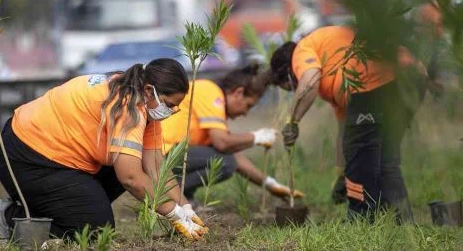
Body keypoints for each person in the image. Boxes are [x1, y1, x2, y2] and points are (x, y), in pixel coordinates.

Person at [0, 58, 208, 246]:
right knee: (96, 231)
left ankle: (63, 210)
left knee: (125, 172)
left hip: (60, 158)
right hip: (28, 155)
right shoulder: (129, 107)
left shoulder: (141, 102)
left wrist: (186, 208)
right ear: (150, 90)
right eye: (169, 105)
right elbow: (131, 178)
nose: (170, 112)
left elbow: (156, 166)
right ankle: (10, 218)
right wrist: (172, 212)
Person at [269, 24, 429, 222]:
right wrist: (340, 173)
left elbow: (309, 80)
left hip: (377, 82)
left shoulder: (302, 49)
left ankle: (362, 219)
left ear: (288, 71)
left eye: (290, 87)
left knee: (359, 155)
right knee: (386, 157)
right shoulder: (338, 81)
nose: (295, 92)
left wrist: (292, 121)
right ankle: (402, 221)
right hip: (412, 76)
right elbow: (346, 130)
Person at [161, 63, 303, 205]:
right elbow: (222, 143)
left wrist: (270, 184)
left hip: (167, 155)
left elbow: (233, 153)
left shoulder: (212, 103)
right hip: (161, 155)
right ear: (238, 93)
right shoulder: (211, 92)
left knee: (226, 159)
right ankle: (166, 193)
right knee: (225, 163)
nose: (245, 113)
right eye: (248, 105)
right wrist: (257, 137)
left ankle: (176, 194)